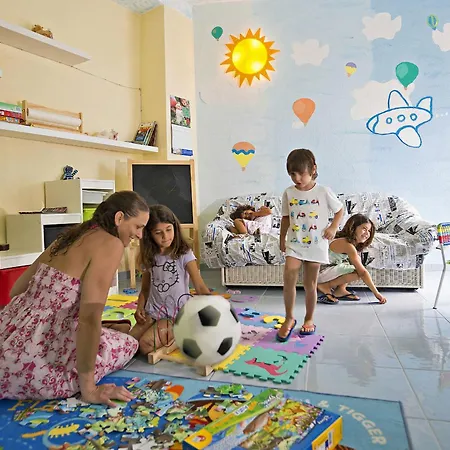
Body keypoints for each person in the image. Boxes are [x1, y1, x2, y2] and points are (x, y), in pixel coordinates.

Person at [0, 191, 149, 405]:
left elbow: (16, 290)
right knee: (127, 344)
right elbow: (89, 319)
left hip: (8, 337)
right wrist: (89, 390)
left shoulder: (68, 237)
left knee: (98, 335)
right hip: (28, 358)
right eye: (138, 227)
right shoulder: (111, 244)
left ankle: (110, 328)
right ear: (119, 218)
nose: (140, 235)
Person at [277, 149, 344, 342]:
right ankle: (289, 318)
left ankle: (309, 318)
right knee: (289, 275)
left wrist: (333, 227)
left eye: (301, 173)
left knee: (310, 284)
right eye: (292, 174)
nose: (297, 178)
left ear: (313, 169)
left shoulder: (323, 191)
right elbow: (285, 218)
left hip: (316, 244)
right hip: (295, 242)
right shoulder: (289, 192)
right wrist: (282, 239)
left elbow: (339, 210)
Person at [130, 205, 210, 355]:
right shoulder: (148, 256)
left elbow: (199, 286)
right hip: (152, 311)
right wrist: (139, 307)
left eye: (168, 230)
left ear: (175, 228)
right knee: (130, 341)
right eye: (158, 233)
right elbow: (145, 289)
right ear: (149, 234)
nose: (165, 236)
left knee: (145, 346)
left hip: (174, 314)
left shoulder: (184, 254)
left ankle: (181, 330)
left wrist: (215, 308)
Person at [317, 214, 387, 304]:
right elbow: (363, 272)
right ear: (353, 227)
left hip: (326, 270)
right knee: (358, 271)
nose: (367, 233)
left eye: (369, 231)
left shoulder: (349, 243)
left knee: (355, 262)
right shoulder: (347, 245)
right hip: (319, 272)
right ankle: (325, 286)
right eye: (364, 229)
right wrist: (376, 294)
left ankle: (340, 290)